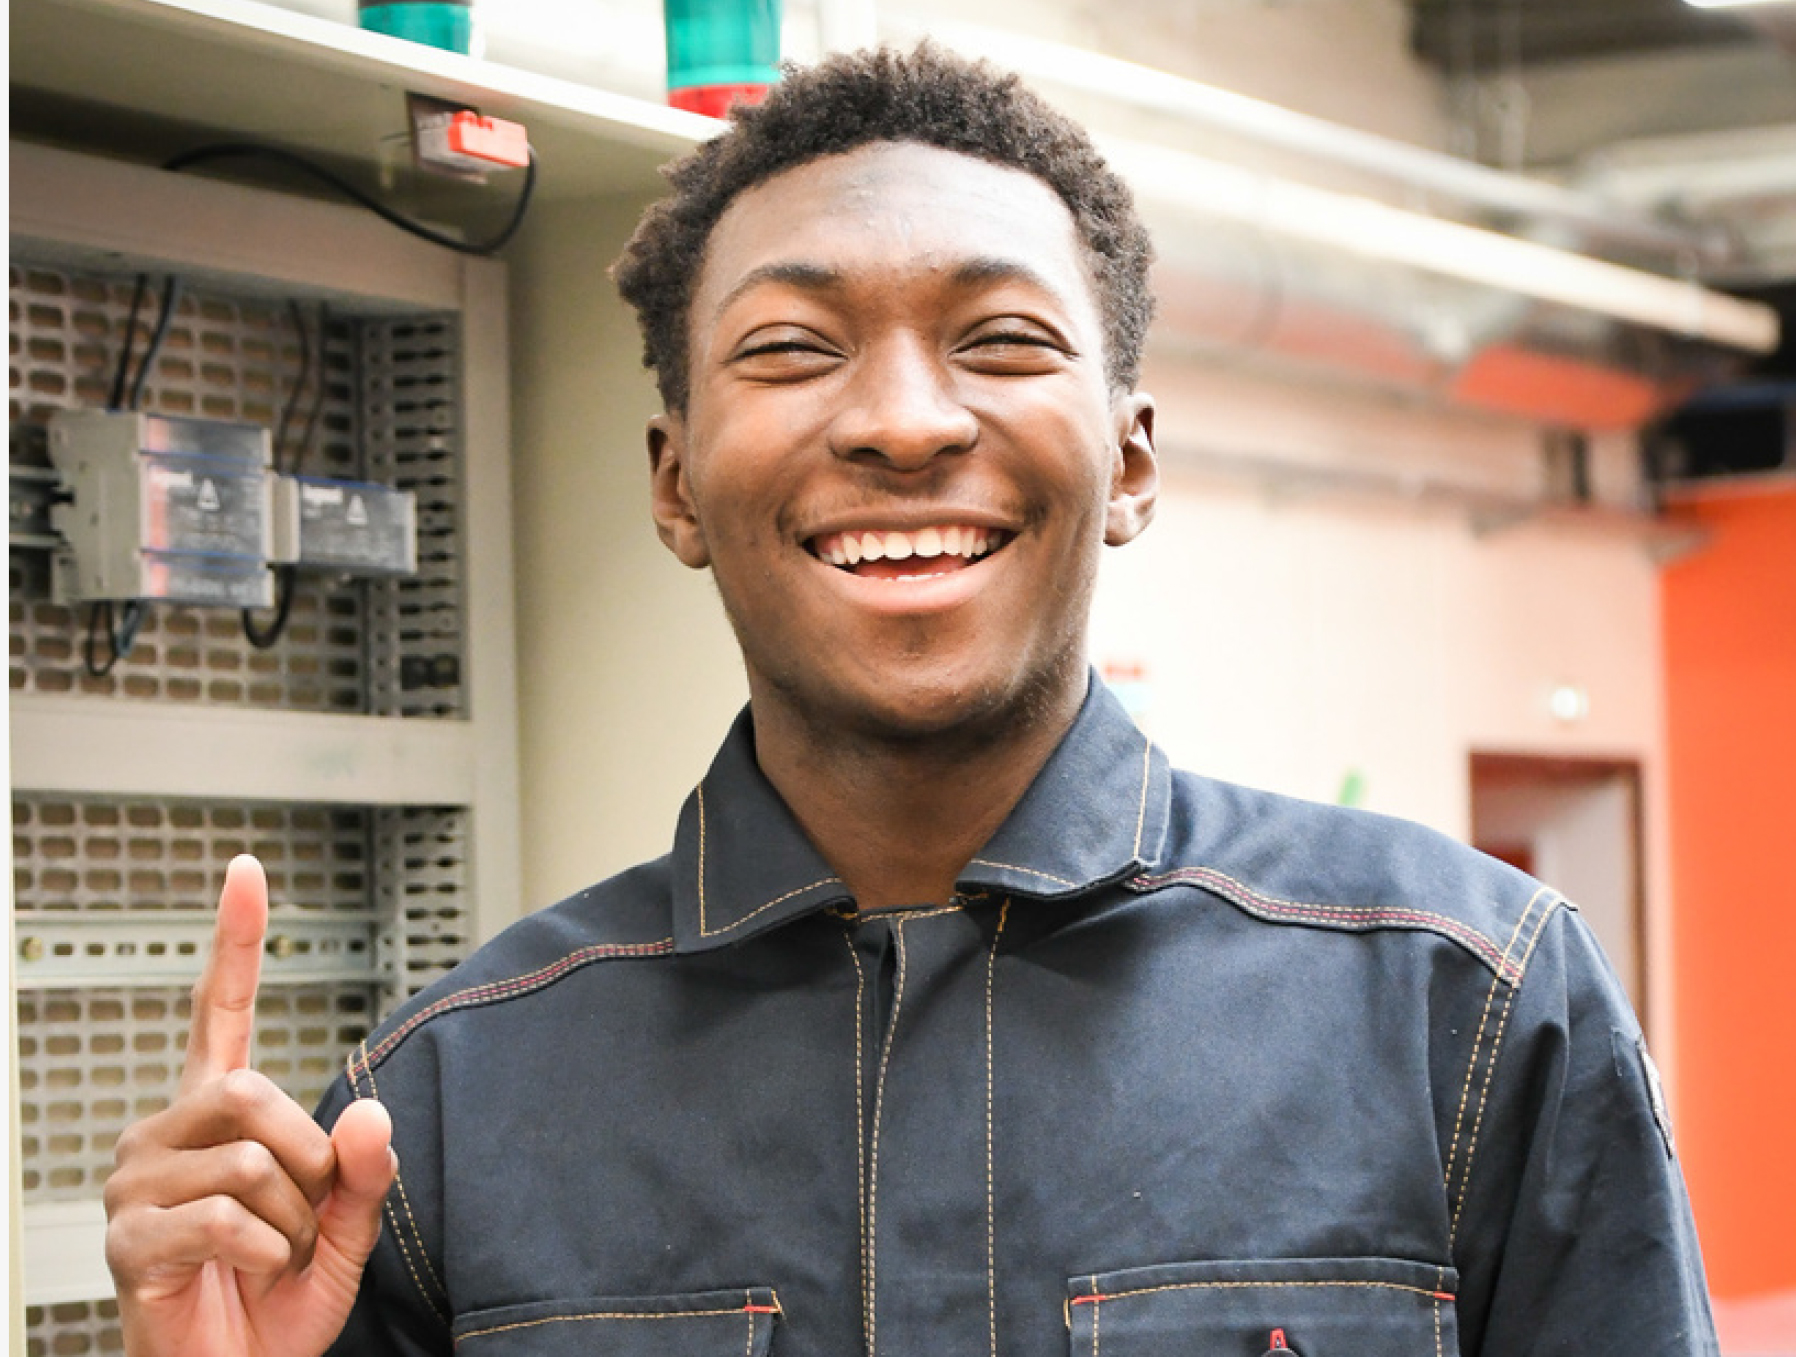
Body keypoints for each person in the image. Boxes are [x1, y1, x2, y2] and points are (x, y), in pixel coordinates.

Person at [103, 43, 1717, 1357]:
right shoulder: (450, 1106)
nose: (901, 418)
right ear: (674, 485)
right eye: (794, 348)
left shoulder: (1467, 1013)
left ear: (1132, 458)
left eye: (999, 336)